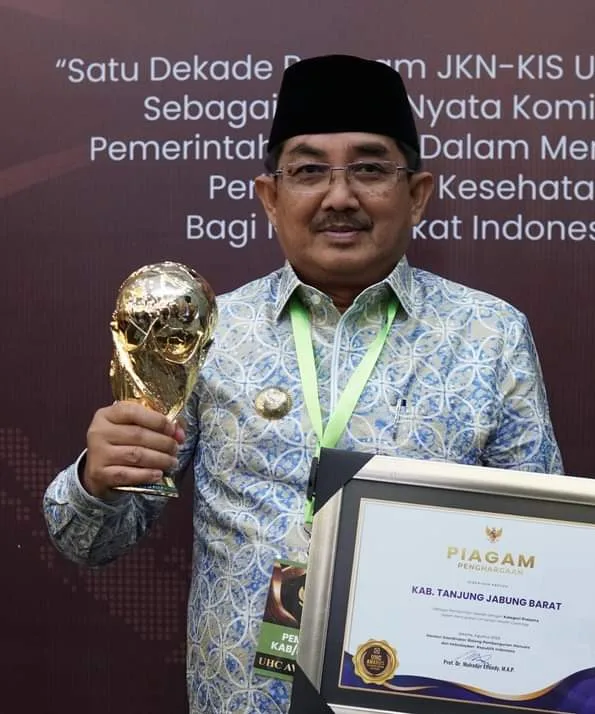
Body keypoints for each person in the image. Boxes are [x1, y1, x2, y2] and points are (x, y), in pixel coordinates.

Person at [43, 54, 563, 713]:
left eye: (369, 169)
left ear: (417, 194)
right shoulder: (209, 334)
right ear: (270, 197)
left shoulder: (488, 334)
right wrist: (98, 480)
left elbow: (545, 545)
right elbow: (88, 542)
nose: (339, 197)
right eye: (310, 171)